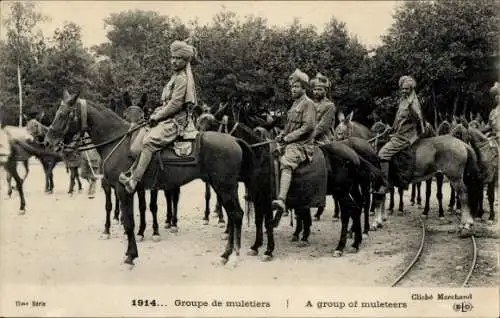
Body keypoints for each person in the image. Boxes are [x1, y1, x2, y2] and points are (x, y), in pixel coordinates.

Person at [119, 39, 198, 193]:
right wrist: (155, 114)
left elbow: (175, 104)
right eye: (173, 58)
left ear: (185, 60)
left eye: (178, 58)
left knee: (149, 142)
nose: (174, 61)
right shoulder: (174, 77)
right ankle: (134, 171)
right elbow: (165, 103)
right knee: (137, 142)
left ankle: (134, 181)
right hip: (166, 118)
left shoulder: (182, 78)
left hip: (176, 121)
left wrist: (157, 117)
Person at [272, 69, 317, 212]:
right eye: (292, 86)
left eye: (296, 86)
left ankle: (281, 200)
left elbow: (308, 127)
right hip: (290, 142)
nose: (293, 89)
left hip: (301, 144)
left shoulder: (308, 103)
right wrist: (282, 135)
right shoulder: (295, 104)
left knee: (286, 163)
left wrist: (288, 138)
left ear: (304, 88)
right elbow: (289, 125)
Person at [375, 75, 425, 194]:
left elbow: (418, 118)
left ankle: (386, 185)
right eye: (402, 88)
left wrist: (411, 107)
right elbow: (398, 119)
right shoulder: (403, 100)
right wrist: (390, 129)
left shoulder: (413, 102)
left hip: (406, 136)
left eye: (406, 89)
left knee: (382, 154)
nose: (403, 91)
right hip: (398, 132)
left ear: (411, 89)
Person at [310, 72, 336, 145]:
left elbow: (323, 125)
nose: (316, 92)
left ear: (326, 91)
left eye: (319, 89)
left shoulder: (330, 105)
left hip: (324, 139)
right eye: (315, 89)